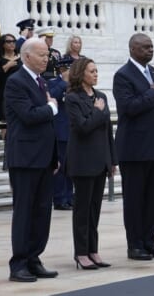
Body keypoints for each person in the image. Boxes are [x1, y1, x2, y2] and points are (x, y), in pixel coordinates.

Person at [5, 37, 60, 282]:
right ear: (26, 56)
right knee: (25, 212)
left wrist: (55, 156)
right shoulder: (16, 81)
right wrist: (51, 108)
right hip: (25, 158)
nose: (46, 59)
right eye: (42, 55)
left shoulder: (41, 82)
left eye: (47, 54)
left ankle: (34, 257)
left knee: (41, 212)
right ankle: (19, 263)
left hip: (44, 158)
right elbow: (28, 116)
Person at [112, 33, 154, 261]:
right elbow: (129, 107)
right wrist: (152, 94)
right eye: (145, 47)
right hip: (134, 149)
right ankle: (135, 244)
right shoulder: (123, 75)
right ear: (133, 49)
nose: (150, 50)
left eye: (152, 47)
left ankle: (149, 240)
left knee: (153, 198)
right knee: (135, 199)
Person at [65, 58, 116, 270]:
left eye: (97, 71)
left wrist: (112, 159)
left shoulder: (101, 96)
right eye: (92, 71)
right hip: (83, 161)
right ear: (81, 74)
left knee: (95, 209)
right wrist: (96, 111)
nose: (96, 74)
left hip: (100, 160)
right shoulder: (72, 98)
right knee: (82, 210)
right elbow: (83, 127)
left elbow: (107, 130)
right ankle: (81, 252)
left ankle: (93, 250)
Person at [48, 57, 74, 211]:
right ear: (62, 69)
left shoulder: (77, 84)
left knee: (71, 167)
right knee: (61, 167)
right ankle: (59, 198)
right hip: (60, 130)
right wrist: (64, 82)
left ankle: (69, 197)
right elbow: (52, 96)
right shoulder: (53, 82)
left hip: (74, 130)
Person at [0, 34, 21, 123]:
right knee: (5, 119)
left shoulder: (21, 57)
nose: (12, 44)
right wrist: (7, 66)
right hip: (4, 91)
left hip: (19, 91)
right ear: (3, 44)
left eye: (14, 41)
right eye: (8, 42)